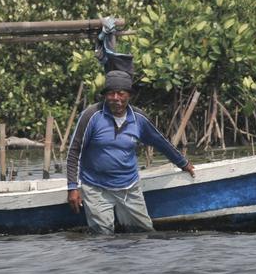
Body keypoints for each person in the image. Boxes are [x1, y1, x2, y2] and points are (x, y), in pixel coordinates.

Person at [65, 68, 195, 234]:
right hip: (96, 187)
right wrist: (72, 188)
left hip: (129, 186)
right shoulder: (91, 115)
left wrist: (183, 163)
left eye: (121, 94)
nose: (116, 99)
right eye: (111, 94)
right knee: (102, 235)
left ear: (129, 95)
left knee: (144, 233)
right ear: (105, 96)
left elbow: (161, 142)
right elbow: (74, 152)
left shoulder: (138, 118)